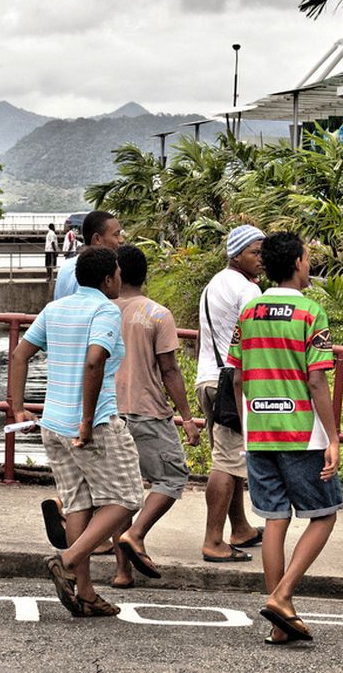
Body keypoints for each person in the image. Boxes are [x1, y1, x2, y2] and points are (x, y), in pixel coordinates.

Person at [9, 247, 140, 618]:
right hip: (93, 423)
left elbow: (20, 355)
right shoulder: (105, 310)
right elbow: (95, 359)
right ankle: (68, 560)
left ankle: (85, 593)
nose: (119, 278)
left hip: (52, 424)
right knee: (128, 497)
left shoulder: (55, 309)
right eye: (116, 273)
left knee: (79, 502)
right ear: (107, 279)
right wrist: (86, 420)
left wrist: (19, 407)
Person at [229, 232, 341, 645]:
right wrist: (334, 437)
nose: (309, 265)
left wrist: (247, 424)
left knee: (274, 519)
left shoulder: (250, 311)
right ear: (296, 262)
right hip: (302, 435)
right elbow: (316, 380)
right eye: (308, 258)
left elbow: (238, 376)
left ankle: (280, 623)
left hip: (259, 432)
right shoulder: (311, 312)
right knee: (324, 513)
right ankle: (283, 595)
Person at [108, 245, 202, 588]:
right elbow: (170, 370)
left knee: (122, 491)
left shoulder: (102, 312)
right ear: (144, 274)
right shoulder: (157, 314)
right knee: (172, 478)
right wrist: (188, 417)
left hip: (109, 412)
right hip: (147, 411)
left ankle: (122, 572)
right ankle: (136, 533)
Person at [196, 225, 267, 563]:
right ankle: (213, 540)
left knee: (231, 457)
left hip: (208, 379)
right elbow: (255, 346)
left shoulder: (213, 284)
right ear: (237, 254)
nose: (261, 259)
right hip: (231, 384)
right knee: (226, 462)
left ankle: (240, 527)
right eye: (255, 252)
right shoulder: (248, 291)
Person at [54, 211, 123, 300]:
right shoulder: (93, 272)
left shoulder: (65, 266)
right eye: (116, 234)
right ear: (97, 239)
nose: (121, 240)